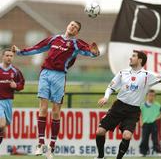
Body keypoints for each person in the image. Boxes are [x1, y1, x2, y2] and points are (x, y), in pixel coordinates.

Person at [12, 21, 100, 159]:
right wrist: (19, 52)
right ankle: (40, 143)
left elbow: (91, 52)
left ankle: (51, 148)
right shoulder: (54, 39)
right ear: (67, 26)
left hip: (59, 76)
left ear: (77, 32)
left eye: (76, 27)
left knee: (55, 111)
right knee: (42, 108)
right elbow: (37, 48)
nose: (73, 27)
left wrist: (95, 52)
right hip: (45, 73)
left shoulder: (77, 43)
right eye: (71, 25)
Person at [95, 50, 161, 159]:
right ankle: (100, 156)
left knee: (127, 135)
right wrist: (106, 97)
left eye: (133, 56)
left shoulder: (147, 75)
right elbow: (111, 87)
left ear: (140, 60)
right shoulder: (122, 72)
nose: (130, 58)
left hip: (133, 110)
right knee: (100, 131)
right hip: (118, 106)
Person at [0, 48, 25, 146]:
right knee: (1, 124)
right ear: (2, 56)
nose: (9, 58)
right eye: (7, 55)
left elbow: (22, 84)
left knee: (4, 129)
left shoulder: (15, 71)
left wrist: (16, 86)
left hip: (8, 101)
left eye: (11, 56)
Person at [139, 89, 161, 156]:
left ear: (155, 97)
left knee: (155, 138)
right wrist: (141, 122)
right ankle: (143, 152)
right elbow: (140, 114)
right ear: (147, 96)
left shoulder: (157, 105)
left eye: (153, 96)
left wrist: (156, 118)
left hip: (153, 124)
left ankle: (158, 151)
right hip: (145, 123)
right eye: (150, 95)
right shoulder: (142, 105)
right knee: (144, 138)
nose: (151, 97)